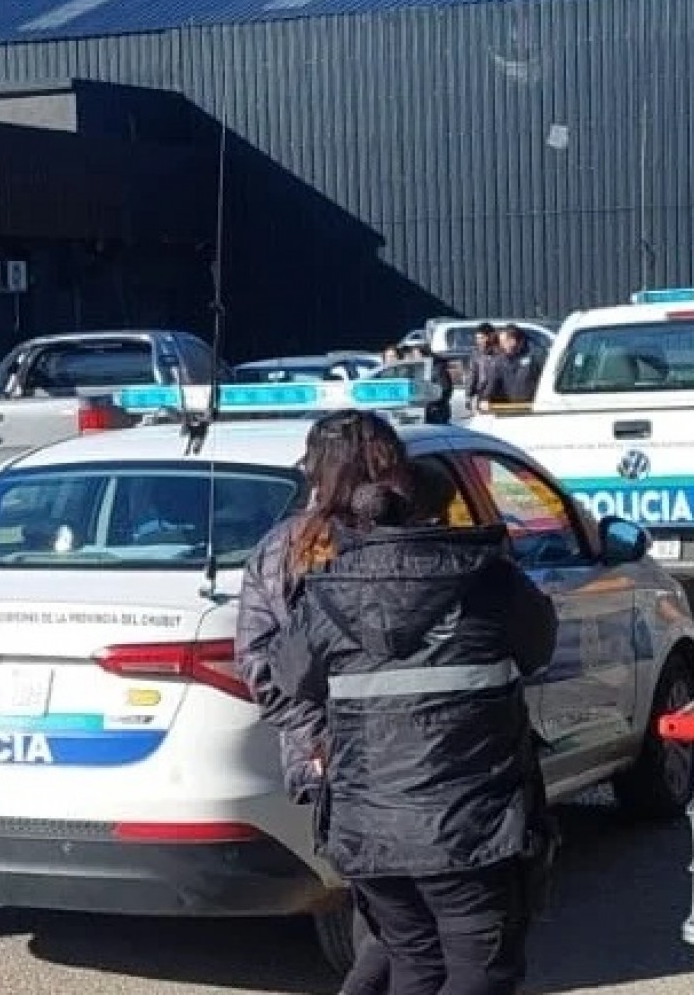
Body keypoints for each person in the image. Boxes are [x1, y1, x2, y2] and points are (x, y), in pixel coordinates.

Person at [261, 421, 559, 995]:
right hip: (471, 821)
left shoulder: (328, 590)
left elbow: (290, 675)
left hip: (368, 821)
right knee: (482, 968)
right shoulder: (488, 580)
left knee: (413, 960)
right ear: (436, 510)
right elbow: (539, 646)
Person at [237, 411, 412, 995]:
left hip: (382, 756)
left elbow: (262, 666)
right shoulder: (291, 550)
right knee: (396, 923)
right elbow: (265, 668)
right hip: (376, 758)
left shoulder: (288, 546)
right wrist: (327, 738)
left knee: (392, 916)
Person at [492, 324, 544, 405]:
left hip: (531, 407)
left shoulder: (534, 357)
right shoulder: (500, 361)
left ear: (513, 341)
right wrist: (486, 398)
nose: (501, 346)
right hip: (508, 408)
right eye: (500, 342)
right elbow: (494, 384)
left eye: (503, 342)